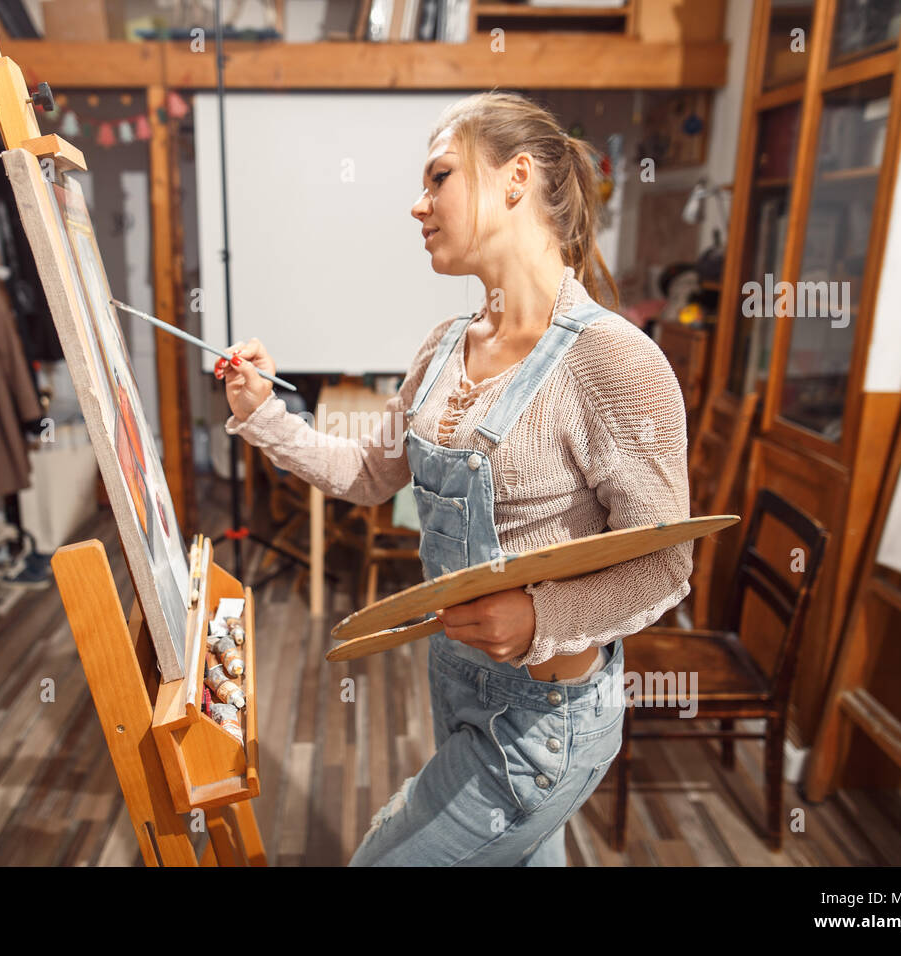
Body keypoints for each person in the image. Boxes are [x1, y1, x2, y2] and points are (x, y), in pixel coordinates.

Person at [219, 91, 692, 866]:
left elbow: (667, 560)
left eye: (438, 177)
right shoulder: (445, 346)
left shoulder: (614, 360)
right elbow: (371, 473)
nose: (417, 204)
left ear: (515, 179)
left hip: (549, 720)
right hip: (459, 682)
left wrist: (542, 619)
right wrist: (262, 414)